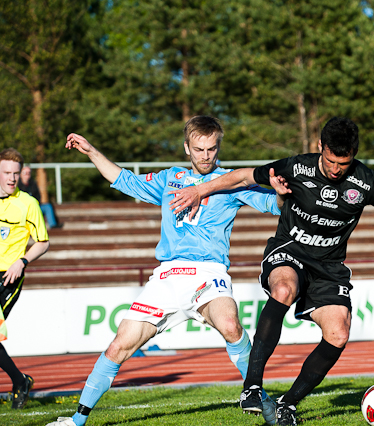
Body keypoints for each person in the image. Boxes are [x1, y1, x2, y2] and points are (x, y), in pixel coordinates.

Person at [169, 117, 374, 425]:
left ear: (354, 154)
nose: (336, 169)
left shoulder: (366, 181)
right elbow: (242, 177)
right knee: (283, 290)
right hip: (289, 250)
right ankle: (252, 387)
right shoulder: (297, 168)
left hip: (329, 267)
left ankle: (288, 404)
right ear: (319, 147)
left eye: (343, 163)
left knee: (338, 332)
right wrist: (201, 190)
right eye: (330, 160)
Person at [46, 116, 289, 426]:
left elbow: (276, 206)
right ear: (187, 147)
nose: (205, 156)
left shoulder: (231, 182)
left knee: (230, 325)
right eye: (199, 149)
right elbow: (124, 180)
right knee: (119, 345)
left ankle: (259, 397)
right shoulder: (169, 178)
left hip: (208, 273)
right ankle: (76, 420)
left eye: (212, 149)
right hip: (168, 277)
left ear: (218, 147)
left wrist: (281, 193)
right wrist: (91, 150)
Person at [0, 148, 50, 409]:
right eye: (7, 173)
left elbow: (43, 243)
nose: (12, 179)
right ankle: (20, 381)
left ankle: (20, 382)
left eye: (16, 174)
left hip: (7, 278)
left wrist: (22, 261)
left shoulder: (27, 203)